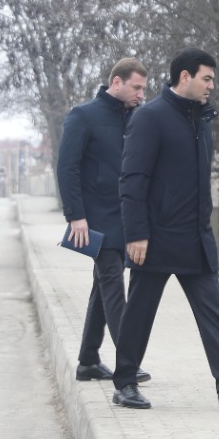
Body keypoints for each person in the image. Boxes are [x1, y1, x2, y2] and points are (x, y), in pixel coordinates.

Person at [111, 47, 219, 411]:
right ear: (184, 77)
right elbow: (132, 180)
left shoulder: (202, 119)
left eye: (213, 79)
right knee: (139, 312)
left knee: (214, 312)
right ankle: (124, 383)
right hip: (154, 238)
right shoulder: (150, 118)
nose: (212, 85)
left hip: (196, 239)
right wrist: (136, 233)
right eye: (206, 78)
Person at [57, 58, 152, 383]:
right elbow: (67, 167)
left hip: (125, 217)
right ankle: (128, 361)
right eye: (136, 87)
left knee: (103, 287)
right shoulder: (83, 116)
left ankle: (88, 361)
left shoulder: (136, 119)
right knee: (113, 284)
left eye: (143, 88)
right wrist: (76, 217)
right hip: (95, 220)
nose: (141, 94)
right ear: (116, 83)